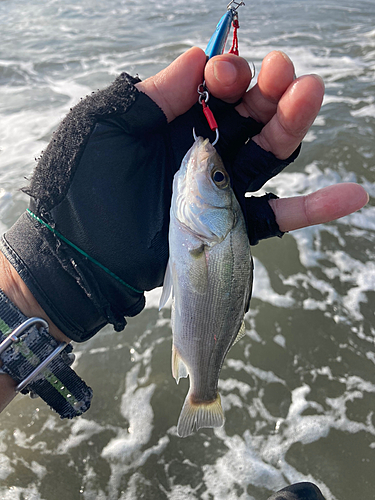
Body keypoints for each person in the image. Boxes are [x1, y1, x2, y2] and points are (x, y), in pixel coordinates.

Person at [0, 47, 368, 498]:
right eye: (221, 178)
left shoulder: (206, 225)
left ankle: (202, 388)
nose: (211, 165)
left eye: (218, 179)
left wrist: (31, 290)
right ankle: (203, 387)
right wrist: (38, 279)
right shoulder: (201, 219)